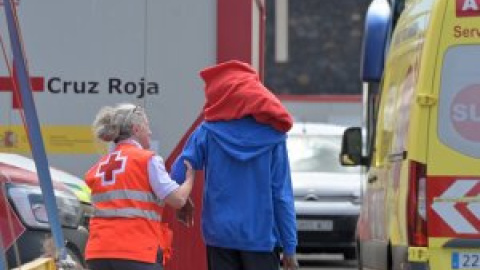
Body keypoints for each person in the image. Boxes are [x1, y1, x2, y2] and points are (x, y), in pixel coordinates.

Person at [171, 60, 299, 270]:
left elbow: (179, 171)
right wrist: (290, 247)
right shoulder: (274, 137)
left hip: (219, 237)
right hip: (262, 240)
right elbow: (281, 195)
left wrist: (181, 201)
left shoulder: (208, 131)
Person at [84, 103, 195, 270]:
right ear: (136, 129)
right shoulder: (147, 160)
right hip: (136, 253)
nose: (150, 132)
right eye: (147, 126)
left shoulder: (98, 167)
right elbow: (178, 199)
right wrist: (190, 179)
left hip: (98, 254)